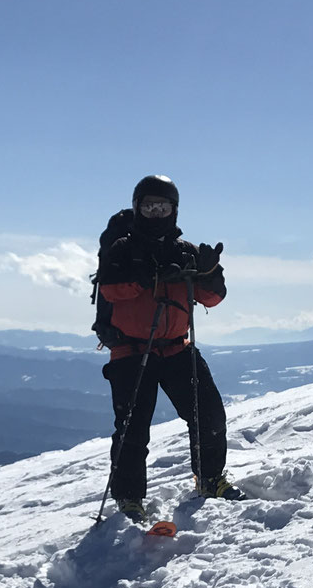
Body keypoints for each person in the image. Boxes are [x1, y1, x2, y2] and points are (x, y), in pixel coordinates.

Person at [93, 174, 235, 518]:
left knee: (208, 413)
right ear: (137, 207)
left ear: (174, 210)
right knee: (132, 428)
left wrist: (210, 272)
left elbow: (212, 298)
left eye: (163, 206)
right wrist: (147, 276)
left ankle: (210, 478)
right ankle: (129, 499)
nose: (156, 213)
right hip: (131, 350)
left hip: (175, 346)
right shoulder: (122, 249)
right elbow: (110, 289)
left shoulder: (185, 252)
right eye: (149, 206)